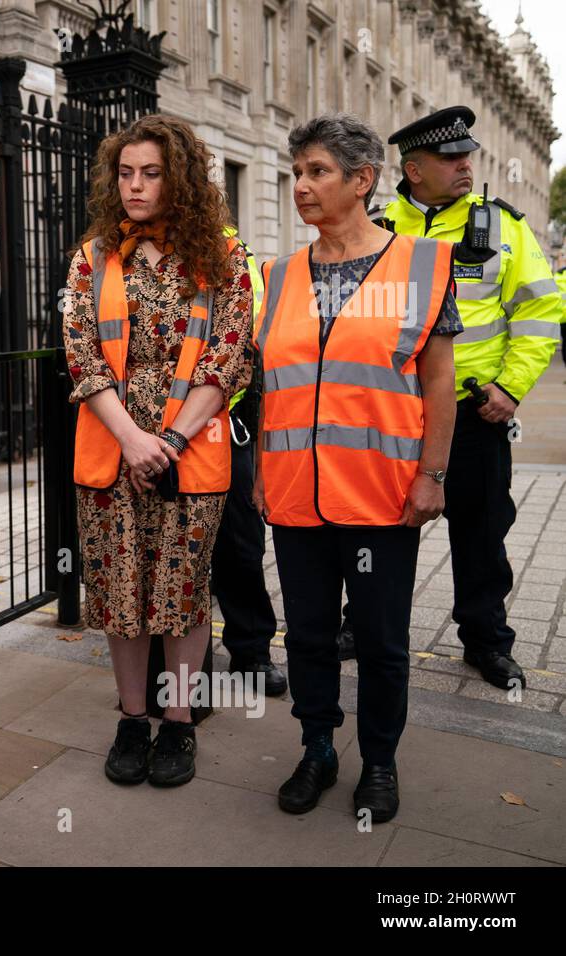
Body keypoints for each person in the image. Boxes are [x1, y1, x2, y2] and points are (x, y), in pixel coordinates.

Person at [254, 113, 459, 824]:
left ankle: (379, 761)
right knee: (307, 634)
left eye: (317, 172)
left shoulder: (423, 265)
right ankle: (316, 748)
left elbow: (439, 381)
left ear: (363, 180)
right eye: (298, 173)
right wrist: (259, 469)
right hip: (295, 496)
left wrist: (433, 473)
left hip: (381, 496)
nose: (302, 186)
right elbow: (273, 383)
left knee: (379, 641)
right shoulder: (278, 276)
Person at [339, 107, 564, 690]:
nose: (466, 164)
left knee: (481, 535)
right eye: (450, 157)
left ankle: (486, 642)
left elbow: (540, 309)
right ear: (413, 170)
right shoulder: (378, 226)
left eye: (468, 155)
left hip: (473, 414)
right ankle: (360, 625)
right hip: (391, 413)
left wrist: (511, 387)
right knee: (377, 531)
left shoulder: (503, 226)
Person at [65, 114, 253, 789]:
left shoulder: (224, 256)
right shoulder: (91, 257)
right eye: (125, 173)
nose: (136, 186)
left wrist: (168, 441)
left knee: (183, 589)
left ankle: (178, 722)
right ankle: (132, 718)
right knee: (120, 591)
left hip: (190, 450)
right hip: (112, 448)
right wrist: (134, 440)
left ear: (179, 179)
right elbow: (82, 357)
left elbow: (229, 360)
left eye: (151, 173)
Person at [212, 227, 287, 697]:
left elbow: (253, 337)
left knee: (239, 544)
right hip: (147, 426)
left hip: (226, 418)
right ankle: (160, 657)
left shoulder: (228, 249)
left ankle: (250, 650)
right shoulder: (126, 246)